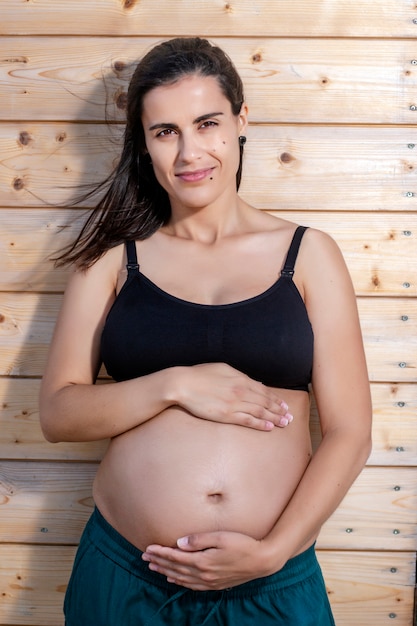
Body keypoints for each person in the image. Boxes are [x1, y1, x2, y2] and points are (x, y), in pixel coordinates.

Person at [40, 37, 372, 625]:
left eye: (207, 123)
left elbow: (350, 433)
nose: (190, 152)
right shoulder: (113, 261)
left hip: (271, 582)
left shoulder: (309, 254)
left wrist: (272, 552)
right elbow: (59, 415)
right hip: (126, 577)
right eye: (165, 131)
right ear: (143, 144)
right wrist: (174, 385)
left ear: (241, 120)